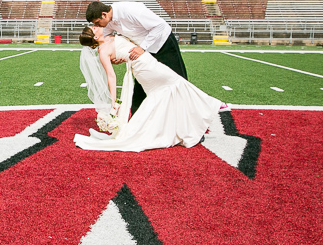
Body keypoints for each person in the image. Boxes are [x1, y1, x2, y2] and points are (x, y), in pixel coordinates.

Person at [74, 24, 228, 153]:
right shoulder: (103, 52)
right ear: (95, 37)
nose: (97, 26)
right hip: (144, 68)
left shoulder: (109, 36)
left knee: (167, 91)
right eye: (94, 28)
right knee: (176, 82)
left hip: (147, 61)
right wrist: (114, 101)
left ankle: (173, 128)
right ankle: (212, 104)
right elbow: (111, 77)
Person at [86, 1, 188, 115]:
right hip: (142, 55)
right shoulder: (107, 22)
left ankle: (190, 120)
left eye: (98, 22)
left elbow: (160, 26)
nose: (98, 26)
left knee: (179, 81)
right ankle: (136, 123)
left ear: (104, 14)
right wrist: (114, 57)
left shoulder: (131, 10)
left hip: (163, 44)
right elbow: (106, 40)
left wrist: (142, 47)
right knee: (140, 88)